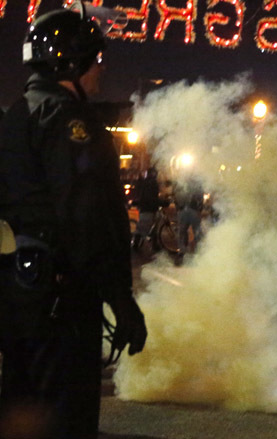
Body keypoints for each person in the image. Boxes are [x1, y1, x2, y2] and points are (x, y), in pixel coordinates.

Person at [0, 5, 147, 439]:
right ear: (71, 61)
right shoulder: (69, 120)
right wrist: (121, 300)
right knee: (67, 418)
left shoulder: (15, 116)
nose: (100, 71)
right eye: (95, 61)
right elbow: (88, 218)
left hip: (19, 293)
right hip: (62, 299)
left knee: (21, 414)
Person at [174, 177, 205, 265]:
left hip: (184, 209)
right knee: (196, 232)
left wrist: (178, 207)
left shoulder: (181, 180)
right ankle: (200, 252)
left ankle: (183, 251)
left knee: (182, 232)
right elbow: (200, 196)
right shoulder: (196, 181)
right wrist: (199, 209)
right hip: (192, 210)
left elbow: (176, 193)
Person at [132, 166, 162, 251]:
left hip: (146, 208)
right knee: (143, 227)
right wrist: (161, 202)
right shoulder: (151, 183)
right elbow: (151, 197)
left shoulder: (146, 182)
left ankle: (155, 245)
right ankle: (136, 245)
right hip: (148, 208)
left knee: (152, 226)